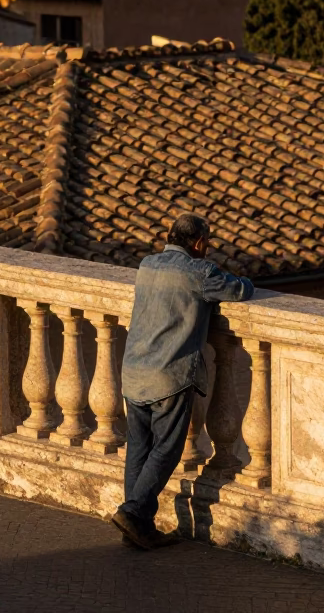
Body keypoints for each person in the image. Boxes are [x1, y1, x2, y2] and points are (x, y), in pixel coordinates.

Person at [112, 213, 254, 550]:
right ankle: (133, 513)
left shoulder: (147, 265)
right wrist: (245, 280)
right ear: (200, 242)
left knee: (138, 446)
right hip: (169, 375)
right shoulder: (200, 272)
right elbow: (238, 290)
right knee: (167, 448)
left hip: (133, 370)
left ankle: (137, 524)